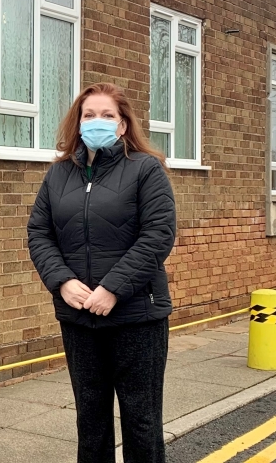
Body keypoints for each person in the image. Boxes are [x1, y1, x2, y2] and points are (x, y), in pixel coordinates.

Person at [27, 82, 176, 463]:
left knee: (141, 421)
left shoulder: (146, 170)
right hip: (79, 318)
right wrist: (61, 282)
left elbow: (158, 235)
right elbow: (39, 232)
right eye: (89, 115)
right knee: (90, 421)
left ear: (123, 125)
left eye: (108, 115)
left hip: (136, 316)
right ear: (77, 124)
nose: (97, 122)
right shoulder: (59, 174)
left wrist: (112, 288)